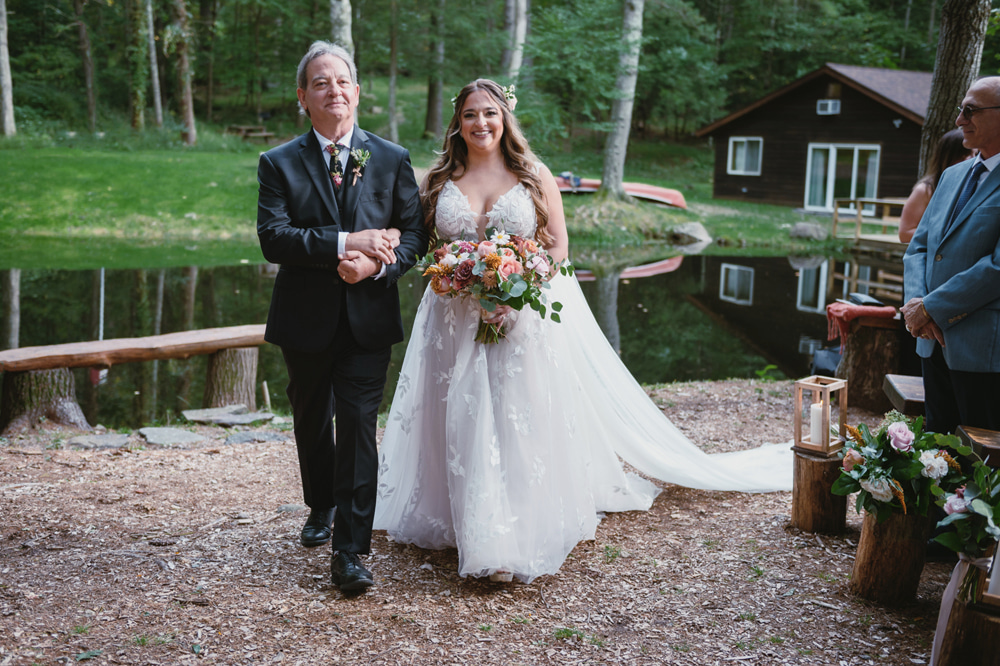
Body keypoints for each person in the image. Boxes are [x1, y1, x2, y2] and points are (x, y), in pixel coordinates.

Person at [372, 79, 791, 585]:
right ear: (456, 123)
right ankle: (456, 517)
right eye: (469, 115)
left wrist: (513, 295)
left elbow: (557, 248)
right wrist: (415, 255)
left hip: (518, 315)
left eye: (490, 113)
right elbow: (421, 238)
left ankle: (506, 533)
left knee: (511, 414)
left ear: (505, 118)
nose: (480, 123)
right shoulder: (440, 177)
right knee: (455, 410)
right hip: (452, 317)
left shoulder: (533, 174)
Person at [257, 41, 428, 593]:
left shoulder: (393, 158)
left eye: (342, 81)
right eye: (321, 82)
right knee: (311, 419)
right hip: (304, 319)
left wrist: (377, 270)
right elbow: (274, 238)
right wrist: (345, 243)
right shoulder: (278, 162)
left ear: (356, 91)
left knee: (357, 429)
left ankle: (351, 553)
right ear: (303, 97)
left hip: (367, 319)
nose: (334, 90)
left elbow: (414, 234)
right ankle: (320, 502)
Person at [902, 76, 1000, 435]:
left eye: (971, 110)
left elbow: (997, 267)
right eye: (961, 109)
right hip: (931, 339)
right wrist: (916, 304)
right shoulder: (952, 175)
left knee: (983, 461)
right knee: (937, 449)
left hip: (984, 348)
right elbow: (920, 247)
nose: (960, 120)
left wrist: (932, 307)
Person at [898, 129, 972, 243]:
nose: (970, 160)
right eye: (963, 156)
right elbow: (905, 233)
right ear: (948, 156)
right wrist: (949, 235)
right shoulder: (925, 190)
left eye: (974, 154)